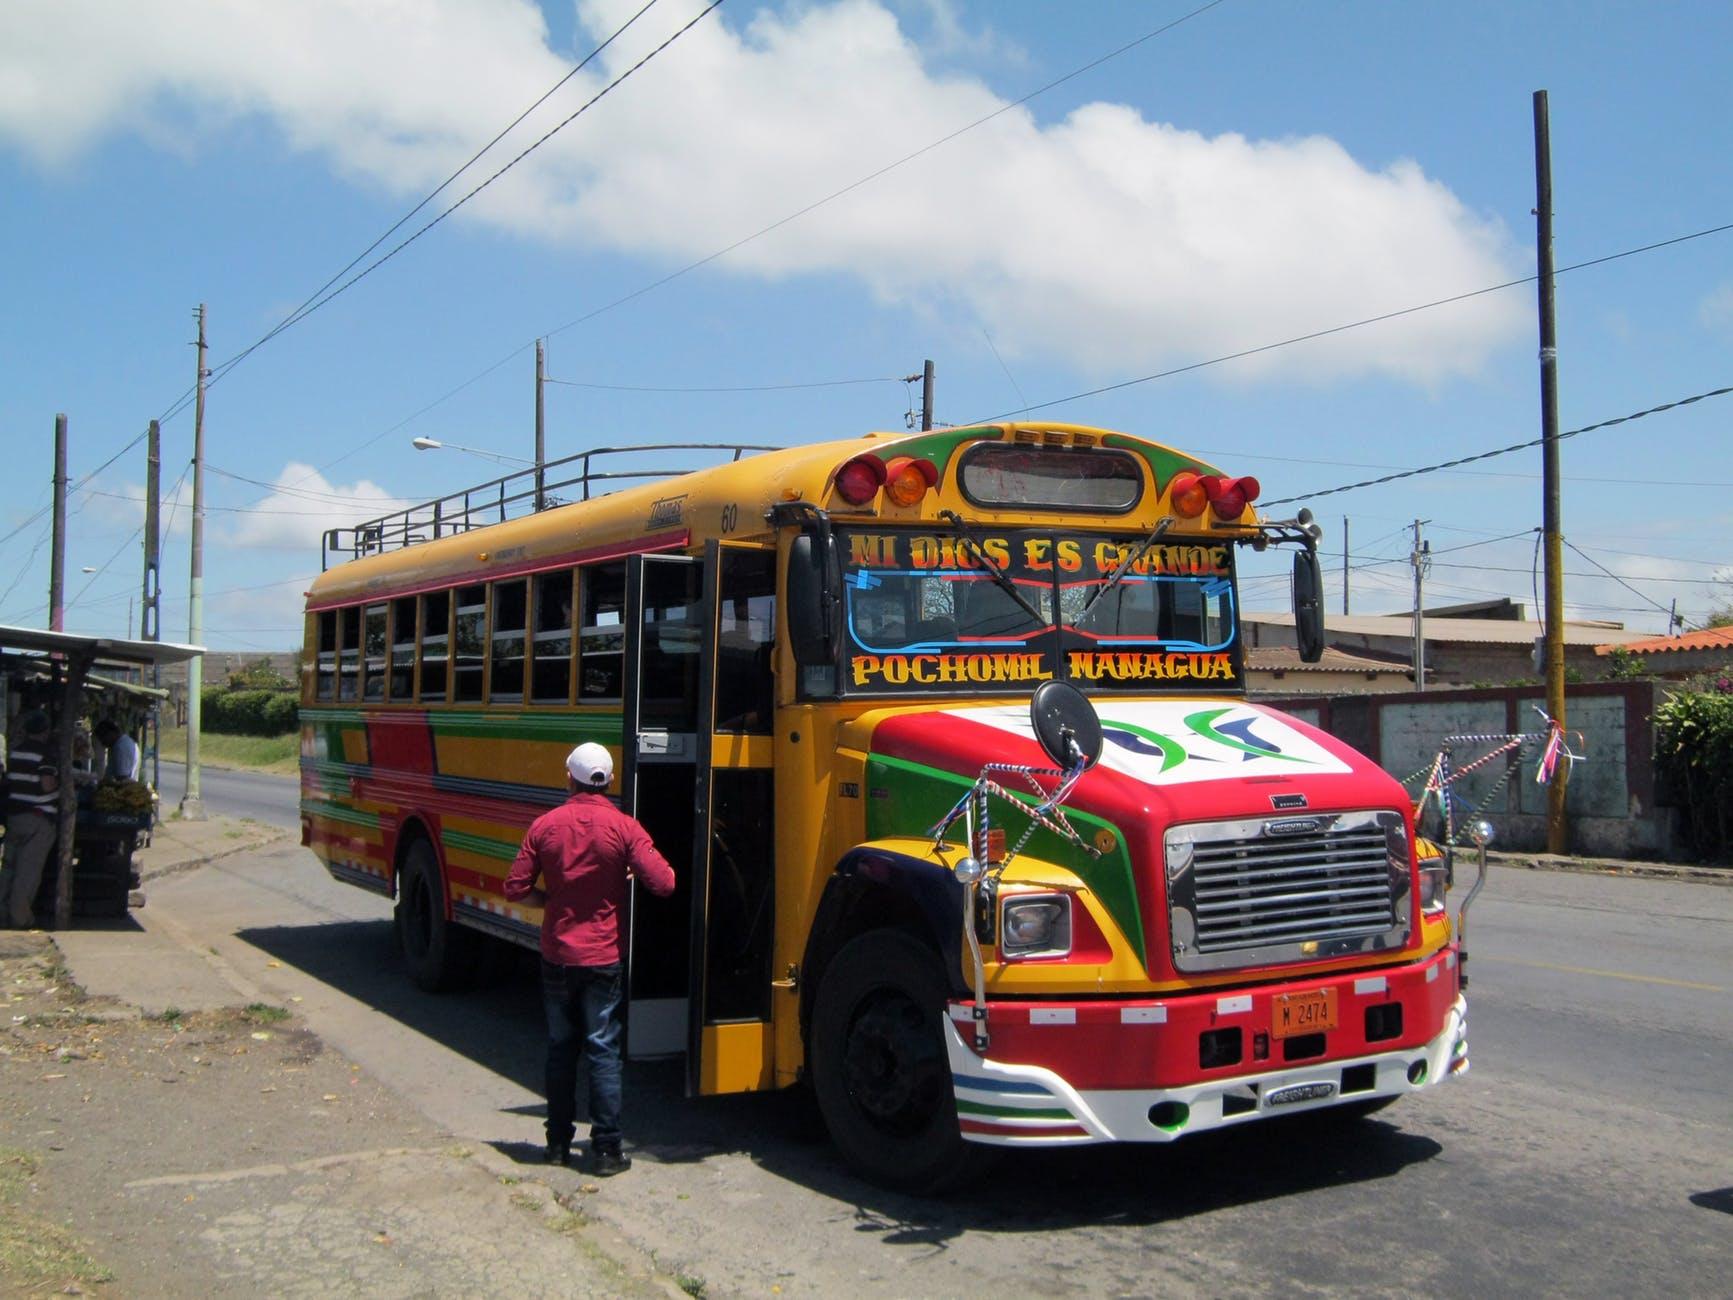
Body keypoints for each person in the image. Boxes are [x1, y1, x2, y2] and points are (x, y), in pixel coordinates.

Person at [503, 741, 674, 1175]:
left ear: (569, 777)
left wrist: (552, 899)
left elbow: (515, 887)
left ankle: (557, 1144)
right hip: (603, 957)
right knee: (602, 1049)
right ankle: (606, 1151)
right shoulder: (624, 827)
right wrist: (624, 874)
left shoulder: (545, 826)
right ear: (610, 780)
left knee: (561, 1049)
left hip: (557, 953)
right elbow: (666, 882)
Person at [1, 710, 58, 929]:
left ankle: (3, 915)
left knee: (8, 870)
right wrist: (61, 788)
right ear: (45, 731)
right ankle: (21, 919)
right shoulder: (45, 754)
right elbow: (46, 785)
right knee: (27, 873)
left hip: (15, 817)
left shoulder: (15, 753)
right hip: (38, 819)